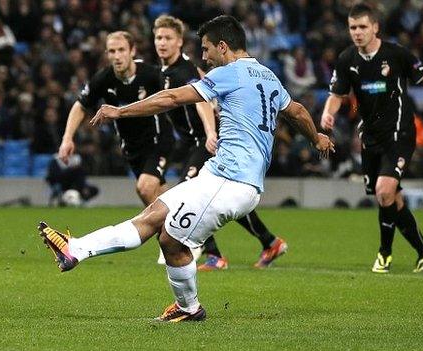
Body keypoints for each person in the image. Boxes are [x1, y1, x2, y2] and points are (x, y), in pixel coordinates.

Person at [39, 15, 333, 322]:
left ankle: (189, 308)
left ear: (223, 46)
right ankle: (76, 248)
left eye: (206, 49)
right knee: (154, 213)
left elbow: (172, 97)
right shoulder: (268, 75)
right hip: (220, 174)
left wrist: (120, 111)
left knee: (170, 239)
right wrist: (317, 138)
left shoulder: (230, 73)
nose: (204, 57)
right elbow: (297, 111)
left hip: (232, 181)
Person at [320, 3, 423, 274]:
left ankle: (384, 254)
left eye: (362, 27)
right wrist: (327, 114)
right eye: (352, 28)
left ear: (375, 27)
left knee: (384, 191)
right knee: (392, 198)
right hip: (370, 137)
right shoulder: (348, 59)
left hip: (400, 133)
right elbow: (336, 95)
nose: (357, 32)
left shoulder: (396, 54)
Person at [152, 14, 288, 271]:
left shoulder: (186, 69)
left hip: (204, 140)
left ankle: (215, 255)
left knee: (194, 193)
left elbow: (203, 101)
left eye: (168, 38)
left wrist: (211, 132)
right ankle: (269, 241)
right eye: (158, 37)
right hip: (188, 141)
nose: (162, 43)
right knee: (224, 198)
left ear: (179, 42)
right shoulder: (164, 71)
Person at [57, 31, 174, 206]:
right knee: (158, 196)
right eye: (112, 51)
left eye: (121, 50)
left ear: (132, 51)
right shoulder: (103, 79)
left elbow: (176, 94)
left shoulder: (151, 75)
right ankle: (185, 228)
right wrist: (67, 138)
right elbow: (80, 105)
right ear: (107, 54)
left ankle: (170, 231)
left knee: (145, 188)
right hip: (132, 148)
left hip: (158, 141)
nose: (117, 56)